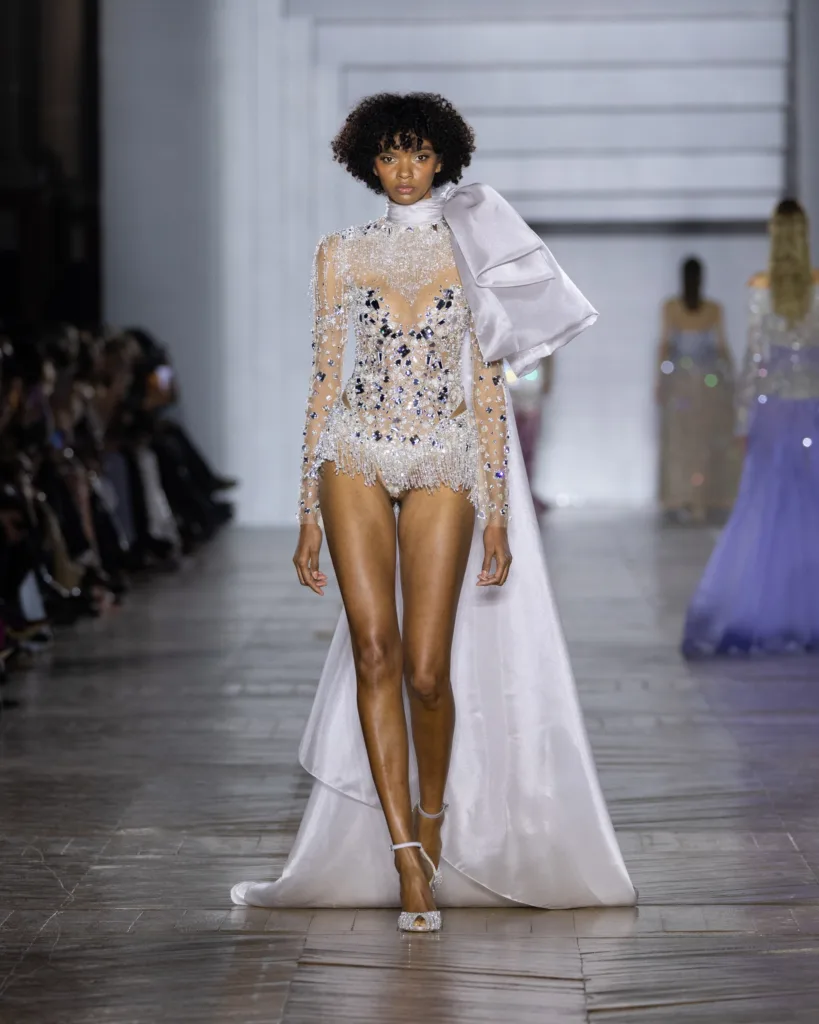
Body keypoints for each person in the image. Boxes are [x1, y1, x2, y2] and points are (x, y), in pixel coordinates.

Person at [231, 93, 635, 931]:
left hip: (444, 456)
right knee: (373, 650)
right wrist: (306, 507)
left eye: (418, 154)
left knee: (424, 669)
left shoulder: (467, 250)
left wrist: (498, 510)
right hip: (353, 452)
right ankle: (404, 856)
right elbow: (323, 379)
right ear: (367, 163)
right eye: (389, 155)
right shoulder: (340, 253)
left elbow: (487, 386)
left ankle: (433, 816)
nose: (405, 170)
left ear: (443, 159)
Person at [682, 199, 819, 656]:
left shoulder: (761, 288)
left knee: (766, 511)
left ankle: (768, 611)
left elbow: (756, 360)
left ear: (775, 235)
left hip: (774, 413)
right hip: (812, 411)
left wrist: (744, 419)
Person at [657, 258, 740, 524]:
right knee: (703, 443)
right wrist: (733, 379)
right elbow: (722, 349)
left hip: (683, 385)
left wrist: (659, 382)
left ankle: (686, 498)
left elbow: (665, 346)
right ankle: (699, 499)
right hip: (706, 385)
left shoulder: (672, 307)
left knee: (683, 443)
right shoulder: (713, 309)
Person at [507, 356, 553, 515]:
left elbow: (548, 354)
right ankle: (511, 495)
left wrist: (548, 379)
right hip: (509, 388)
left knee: (528, 449)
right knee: (508, 449)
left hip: (532, 388)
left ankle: (524, 495)